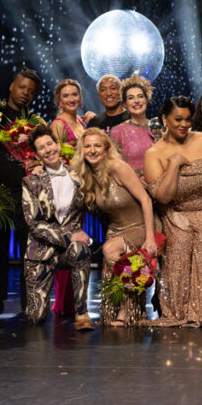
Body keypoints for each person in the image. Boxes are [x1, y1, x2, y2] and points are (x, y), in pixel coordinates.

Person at [144, 96, 202, 327]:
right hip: (175, 213)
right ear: (164, 119)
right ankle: (176, 312)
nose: (183, 124)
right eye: (177, 119)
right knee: (178, 250)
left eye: (188, 119)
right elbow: (163, 196)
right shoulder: (154, 153)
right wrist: (174, 164)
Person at [0, 67, 46, 319]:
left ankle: (30, 301)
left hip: (27, 196)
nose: (25, 93)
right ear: (11, 86)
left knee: (29, 249)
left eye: (31, 91)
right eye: (22, 87)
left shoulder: (37, 123)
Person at [73, 128, 158, 326]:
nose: (92, 150)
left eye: (97, 145)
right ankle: (121, 307)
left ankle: (127, 309)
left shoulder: (118, 167)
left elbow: (146, 200)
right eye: (87, 146)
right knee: (111, 249)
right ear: (82, 150)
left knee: (109, 248)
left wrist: (150, 237)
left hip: (139, 225)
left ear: (106, 149)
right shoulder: (86, 175)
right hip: (115, 229)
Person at [20, 125, 94, 329]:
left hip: (69, 250)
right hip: (41, 252)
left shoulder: (78, 176)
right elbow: (35, 224)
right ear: (36, 155)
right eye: (41, 148)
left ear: (58, 145)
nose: (48, 150)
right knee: (35, 318)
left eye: (50, 144)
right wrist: (69, 236)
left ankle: (82, 313)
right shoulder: (30, 182)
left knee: (81, 250)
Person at [49, 78, 87, 315]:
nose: (71, 99)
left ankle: (72, 300)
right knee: (65, 243)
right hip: (65, 188)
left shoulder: (80, 121)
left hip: (79, 188)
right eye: (66, 96)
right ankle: (62, 302)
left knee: (77, 242)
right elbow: (55, 159)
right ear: (59, 100)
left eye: (75, 94)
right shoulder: (59, 124)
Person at [110, 73, 155, 174]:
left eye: (140, 96)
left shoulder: (158, 126)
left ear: (146, 100)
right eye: (131, 98)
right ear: (125, 104)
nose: (136, 101)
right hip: (133, 186)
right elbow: (112, 165)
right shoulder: (118, 131)